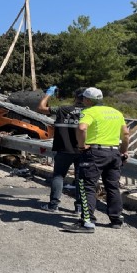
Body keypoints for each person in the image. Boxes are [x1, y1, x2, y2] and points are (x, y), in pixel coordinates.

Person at [63, 87, 130, 233]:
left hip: (94, 153)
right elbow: (125, 134)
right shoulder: (116, 112)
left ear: (87, 100)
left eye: (83, 99)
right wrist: (123, 151)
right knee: (112, 186)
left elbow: (81, 128)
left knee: (88, 186)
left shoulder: (88, 112)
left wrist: (82, 146)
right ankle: (116, 219)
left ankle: (87, 222)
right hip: (114, 153)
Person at [36, 85, 84, 213]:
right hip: (83, 149)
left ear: (75, 97)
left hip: (64, 148)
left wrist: (48, 94)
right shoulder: (91, 112)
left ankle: (53, 205)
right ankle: (80, 208)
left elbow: (41, 108)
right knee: (81, 178)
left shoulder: (63, 109)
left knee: (59, 176)